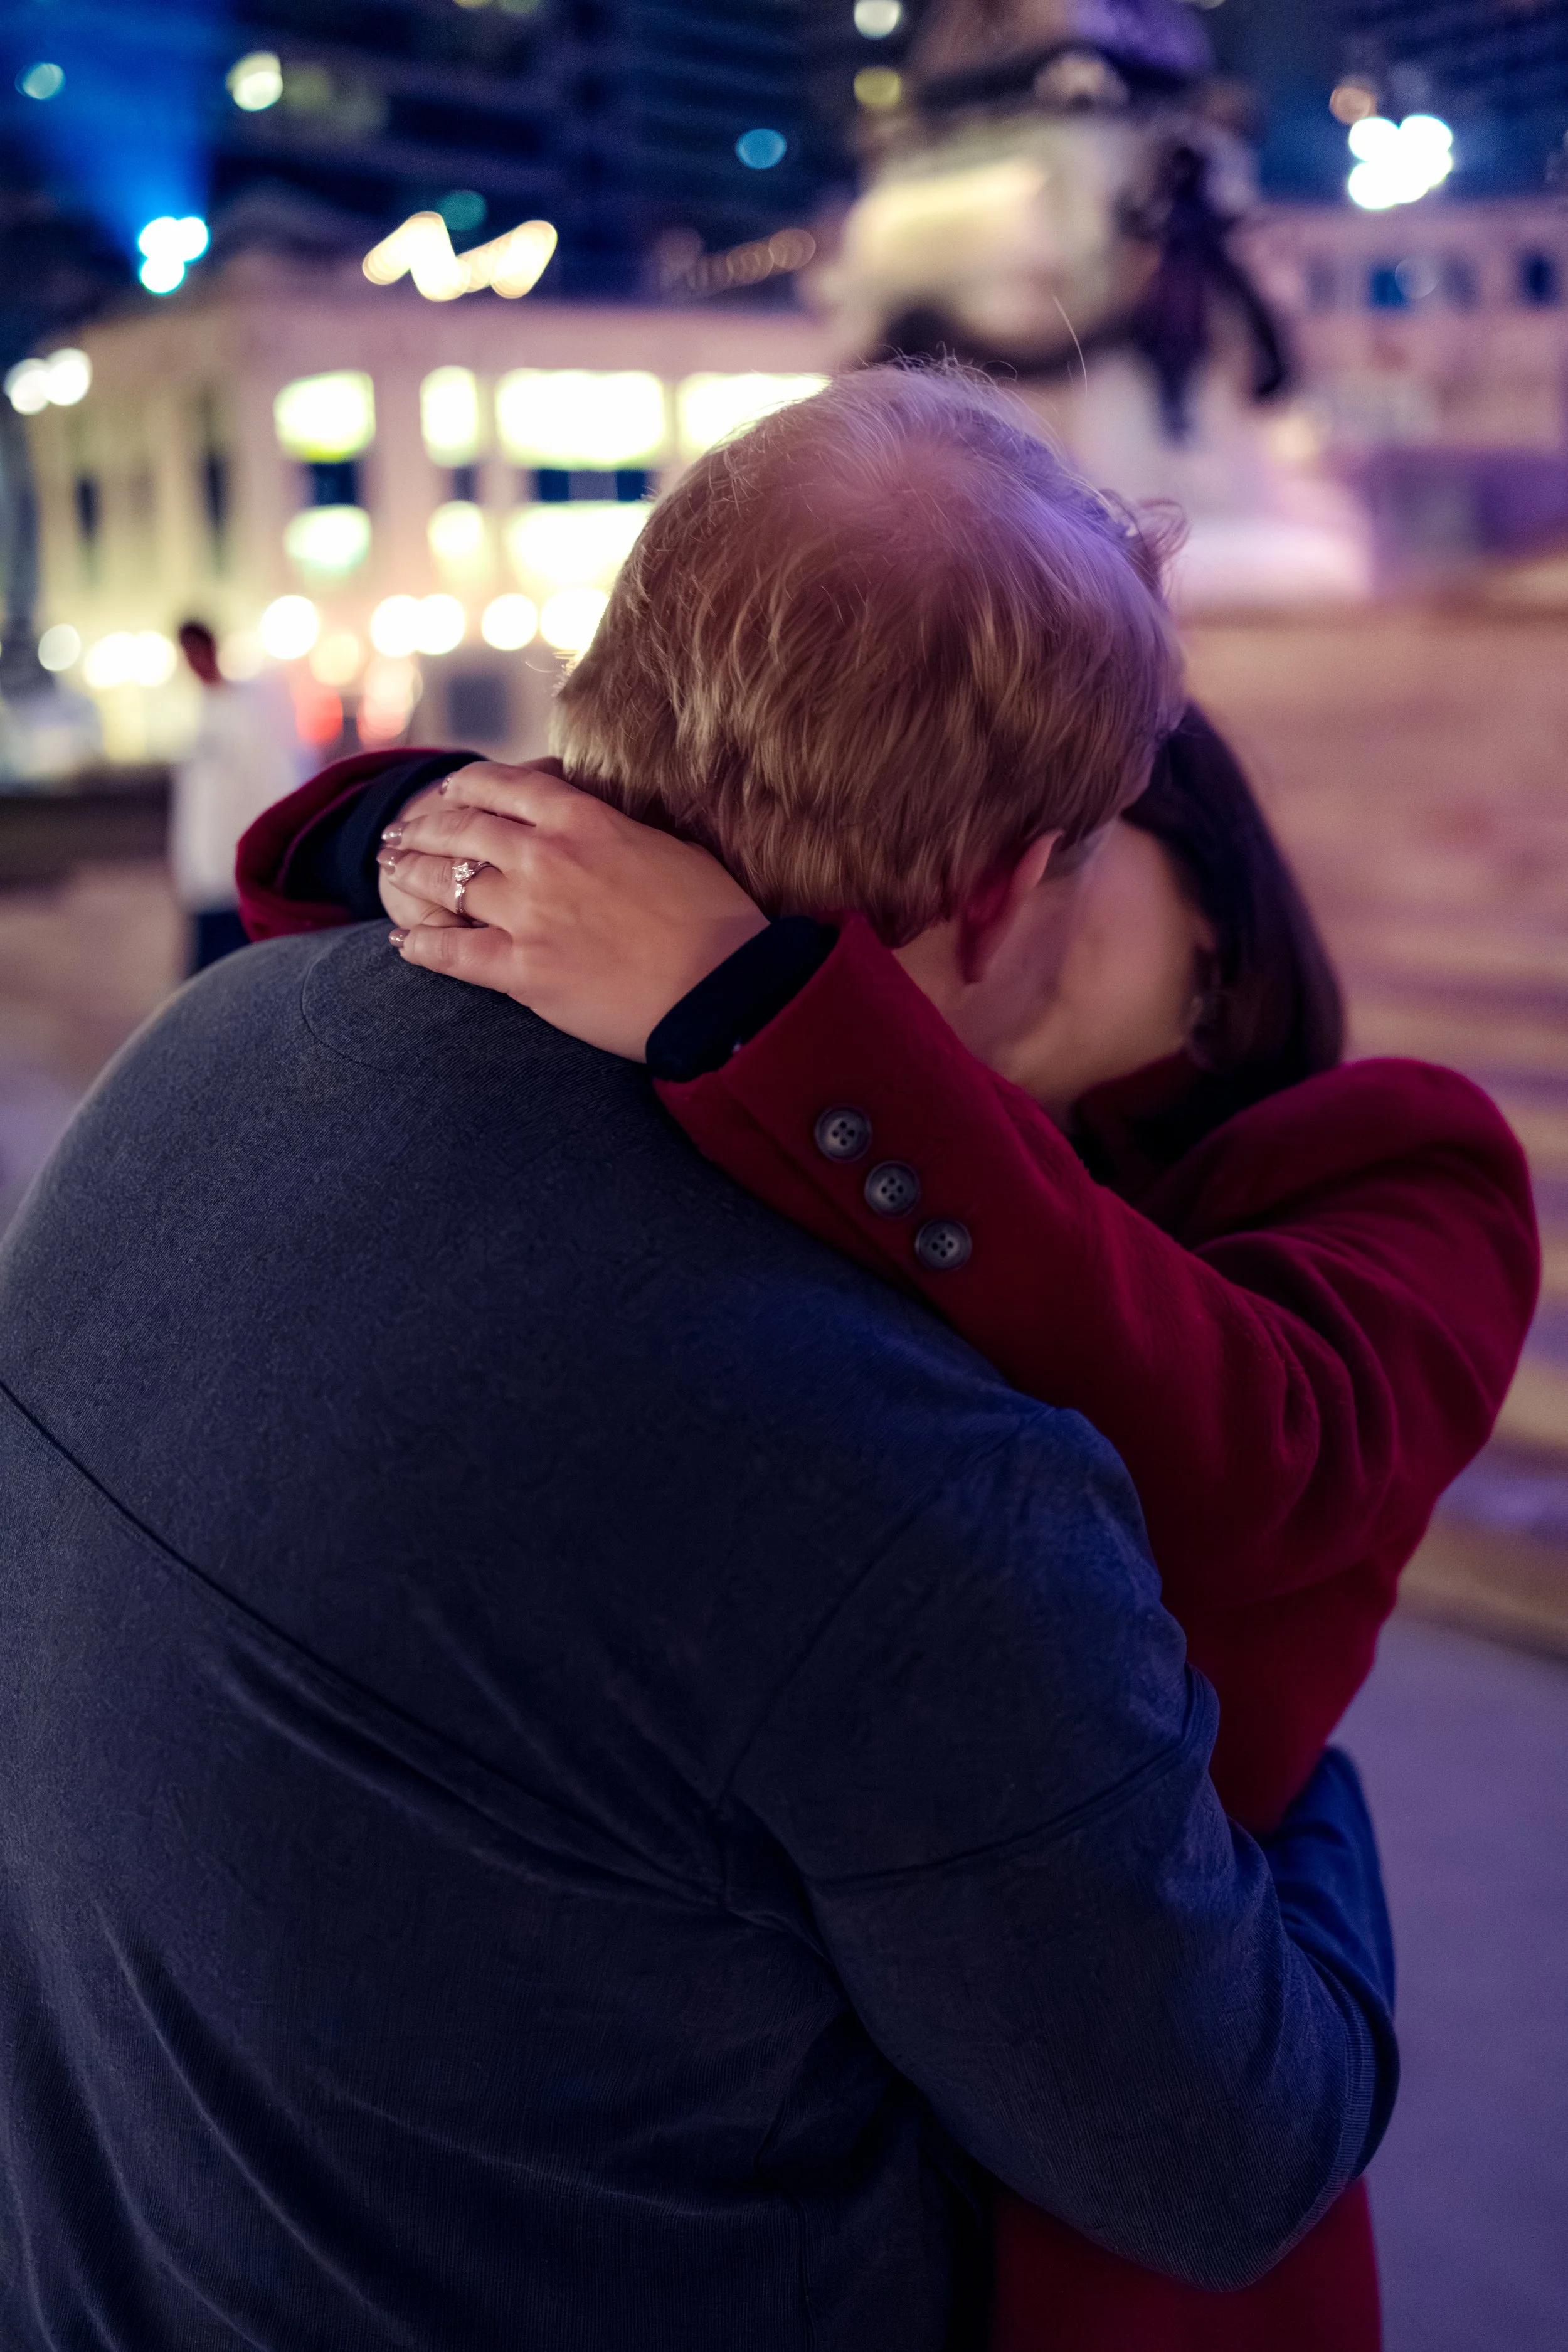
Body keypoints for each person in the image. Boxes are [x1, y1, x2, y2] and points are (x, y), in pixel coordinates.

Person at [0, 369, 1399, 2352]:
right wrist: (1290, 1781)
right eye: (1088, 848)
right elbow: (1226, 2153)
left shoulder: (205, 1061)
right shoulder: (888, 1454)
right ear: (1007, 887)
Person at [243, 694, 1532, 2339]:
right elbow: (309, 894)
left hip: (1127, 2206)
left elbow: (1254, 1454)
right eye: (931, 871)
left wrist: (757, 1000)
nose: (984, 909)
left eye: (1057, 850)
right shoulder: (805, 1131)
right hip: (783, 2170)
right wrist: (449, 836)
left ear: (1212, 874)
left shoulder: (1384, 1159)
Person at [172, 620, 307, 972]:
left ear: (213, 648)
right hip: (204, 877)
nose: (193, 662)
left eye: (197, 651)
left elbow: (274, 786)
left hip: (233, 878)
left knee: (231, 978)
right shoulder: (205, 709)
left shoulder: (246, 711)